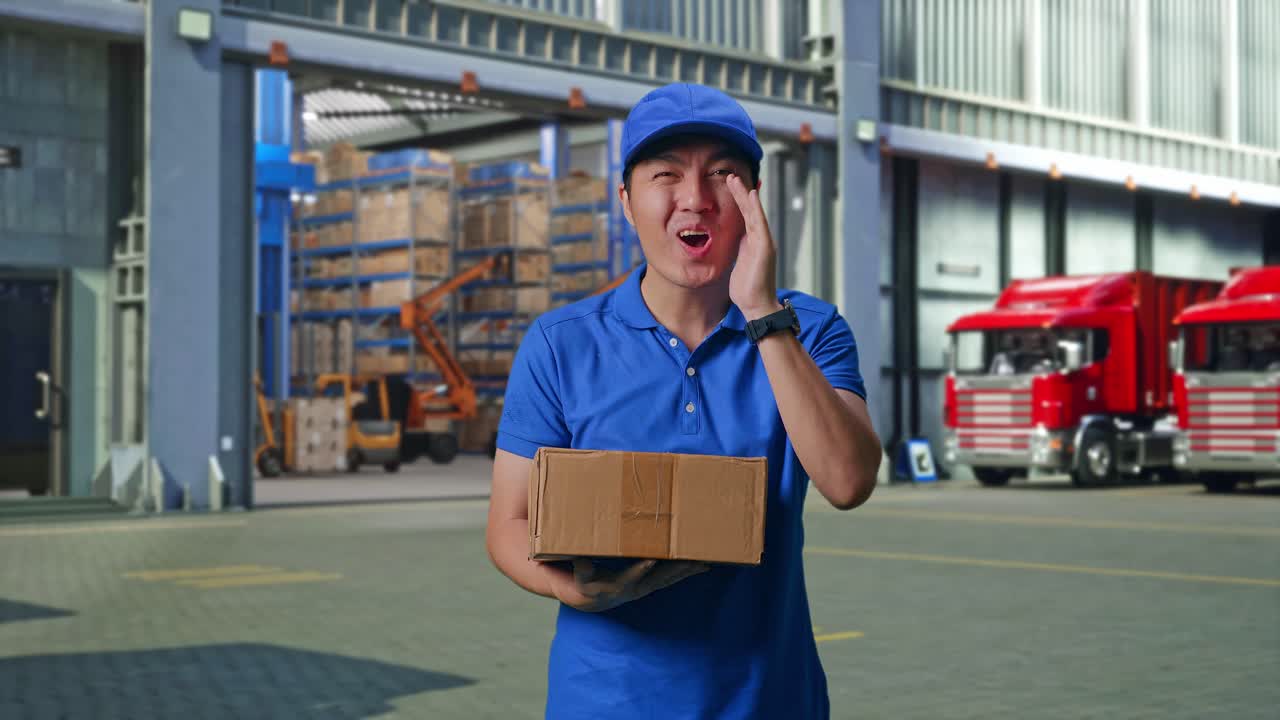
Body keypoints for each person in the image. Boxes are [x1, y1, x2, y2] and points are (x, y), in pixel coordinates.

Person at [485, 82, 882, 719]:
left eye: (722, 175)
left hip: (768, 702)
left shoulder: (809, 329)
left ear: (753, 200)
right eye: (665, 174)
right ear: (626, 200)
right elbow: (507, 526)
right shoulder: (561, 346)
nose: (694, 199)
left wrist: (761, 311)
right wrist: (575, 591)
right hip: (606, 703)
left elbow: (849, 480)